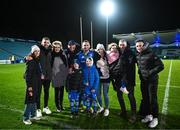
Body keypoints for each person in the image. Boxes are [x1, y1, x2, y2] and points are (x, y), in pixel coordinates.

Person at [135, 38, 164, 128]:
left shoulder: (151, 54)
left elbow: (161, 66)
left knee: (152, 99)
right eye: (137, 46)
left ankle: (155, 118)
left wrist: (149, 73)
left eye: (140, 45)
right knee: (145, 98)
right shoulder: (138, 55)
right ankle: (148, 115)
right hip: (143, 80)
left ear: (144, 45)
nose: (139, 47)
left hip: (152, 80)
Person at [75, 40, 100, 110]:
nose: (85, 46)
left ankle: (94, 108)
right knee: (84, 93)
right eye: (84, 45)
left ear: (89, 46)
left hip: (92, 75)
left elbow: (101, 57)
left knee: (93, 93)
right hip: (83, 76)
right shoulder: (79, 54)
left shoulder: (93, 53)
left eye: (87, 45)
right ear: (82, 46)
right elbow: (76, 64)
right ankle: (86, 106)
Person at [117, 39, 137, 123]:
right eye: (120, 45)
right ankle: (123, 111)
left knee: (131, 96)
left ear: (126, 45)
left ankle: (134, 115)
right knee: (119, 95)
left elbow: (129, 66)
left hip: (128, 79)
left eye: (123, 45)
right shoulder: (118, 52)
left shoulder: (130, 53)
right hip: (119, 79)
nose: (121, 46)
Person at [23, 45, 41, 125]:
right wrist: (29, 86)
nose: (37, 52)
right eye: (35, 51)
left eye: (38, 51)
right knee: (30, 101)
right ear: (32, 52)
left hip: (36, 84)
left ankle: (33, 115)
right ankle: (26, 118)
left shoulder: (36, 60)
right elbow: (27, 75)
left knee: (34, 100)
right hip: (31, 85)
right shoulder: (31, 61)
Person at [36, 37, 52, 117]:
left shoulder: (50, 50)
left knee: (46, 92)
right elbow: (32, 56)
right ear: (41, 42)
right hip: (40, 75)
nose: (46, 43)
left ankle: (45, 107)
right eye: (44, 42)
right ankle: (38, 109)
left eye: (47, 42)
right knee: (38, 92)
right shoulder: (38, 49)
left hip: (48, 75)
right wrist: (26, 58)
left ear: (49, 43)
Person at [51, 41, 68, 112]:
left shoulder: (63, 54)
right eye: (55, 47)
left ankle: (61, 105)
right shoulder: (51, 54)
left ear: (60, 47)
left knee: (61, 92)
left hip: (62, 75)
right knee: (56, 92)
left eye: (58, 47)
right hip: (55, 75)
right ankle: (57, 106)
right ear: (53, 48)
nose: (57, 49)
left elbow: (66, 64)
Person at [95, 43, 110, 116]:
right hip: (98, 78)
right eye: (98, 49)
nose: (99, 50)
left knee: (105, 94)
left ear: (103, 49)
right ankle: (101, 107)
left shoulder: (107, 56)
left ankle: (107, 108)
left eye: (100, 49)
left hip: (106, 78)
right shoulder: (95, 56)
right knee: (98, 94)